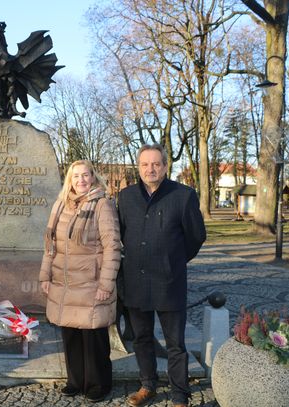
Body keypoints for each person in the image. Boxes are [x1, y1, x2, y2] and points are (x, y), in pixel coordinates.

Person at [117, 144, 206, 407]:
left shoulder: (184, 195)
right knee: (142, 338)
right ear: (138, 166)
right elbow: (121, 234)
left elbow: (196, 236)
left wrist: (173, 260)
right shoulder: (125, 197)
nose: (150, 169)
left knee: (175, 344)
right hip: (136, 281)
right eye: (145, 164)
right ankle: (148, 385)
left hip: (170, 282)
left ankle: (180, 394)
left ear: (166, 166)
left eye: (156, 164)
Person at [39, 160, 121, 403]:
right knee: (71, 334)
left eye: (86, 175)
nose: (81, 180)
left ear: (93, 178)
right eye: (76, 176)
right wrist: (45, 276)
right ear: (70, 180)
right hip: (64, 284)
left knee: (93, 337)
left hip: (91, 283)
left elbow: (112, 246)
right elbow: (50, 247)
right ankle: (75, 381)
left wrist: (106, 284)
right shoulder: (61, 205)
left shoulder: (102, 205)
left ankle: (98, 384)